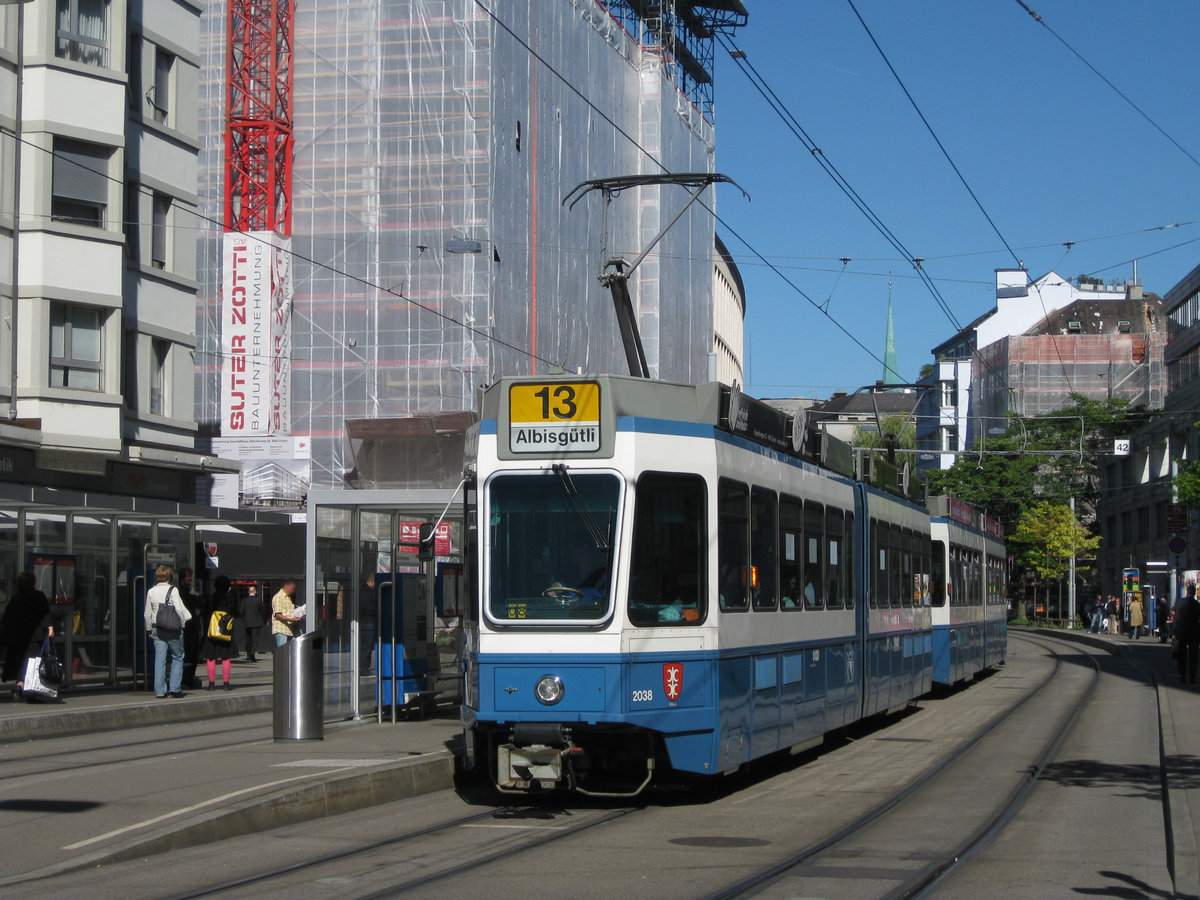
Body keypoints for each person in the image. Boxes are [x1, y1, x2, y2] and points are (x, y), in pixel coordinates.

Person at [1, 571, 53, 699]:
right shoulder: (38, 596)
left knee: (20, 661)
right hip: (35, 637)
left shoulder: (15, 598)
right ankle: (31, 690)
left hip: (17, 637)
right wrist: (50, 628)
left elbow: (7, 618)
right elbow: (45, 613)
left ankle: (19, 684)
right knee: (33, 663)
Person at [143, 565, 191, 699]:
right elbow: (179, 609)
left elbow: (147, 613)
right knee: (177, 656)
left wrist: (148, 629)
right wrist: (182, 624)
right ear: (169, 576)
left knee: (160, 659)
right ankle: (175, 688)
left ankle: (160, 691)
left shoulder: (151, 591)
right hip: (173, 629)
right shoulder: (173, 590)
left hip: (157, 628)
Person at [201, 575, 237, 690]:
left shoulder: (211, 598)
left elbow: (204, 612)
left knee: (211, 658)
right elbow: (236, 613)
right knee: (226, 658)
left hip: (212, 631)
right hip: (226, 632)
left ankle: (211, 683)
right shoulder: (231, 599)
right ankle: (226, 683)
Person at [179, 567, 204, 689]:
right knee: (189, 654)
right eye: (188, 577)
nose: (190, 579)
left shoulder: (188, 591)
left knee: (192, 654)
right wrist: (196, 596)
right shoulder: (182, 592)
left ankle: (188, 678)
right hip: (187, 627)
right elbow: (197, 603)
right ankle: (186, 679)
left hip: (191, 627)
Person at [1172, 581, 1200, 685]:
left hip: (1182, 632)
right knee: (1193, 656)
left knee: (1181, 655)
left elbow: (1177, 619)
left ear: (1187, 592)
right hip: (1194, 633)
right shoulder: (1197, 604)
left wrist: (1174, 632)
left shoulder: (1180, 603)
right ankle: (1192, 676)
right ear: (1194, 593)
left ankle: (1182, 675)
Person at [271, 578, 302, 647]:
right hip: (281, 629)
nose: (292, 591)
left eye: (293, 589)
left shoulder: (288, 598)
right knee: (283, 652)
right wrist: (291, 619)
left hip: (289, 629)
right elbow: (278, 615)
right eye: (291, 588)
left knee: (289, 652)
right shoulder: (278, 597)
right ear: (286, 585)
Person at [241, 584, 264, 662]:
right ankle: (252, 653)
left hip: (247, 622)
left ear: (248, 592)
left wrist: (244, 618)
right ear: (255, 592)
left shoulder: (244, 600)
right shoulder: (258, 600)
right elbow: (262, 611)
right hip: (256, 622)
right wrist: (265, 620)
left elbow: (241, 611)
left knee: (248, 639)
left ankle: (248, 655)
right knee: (255, 639)